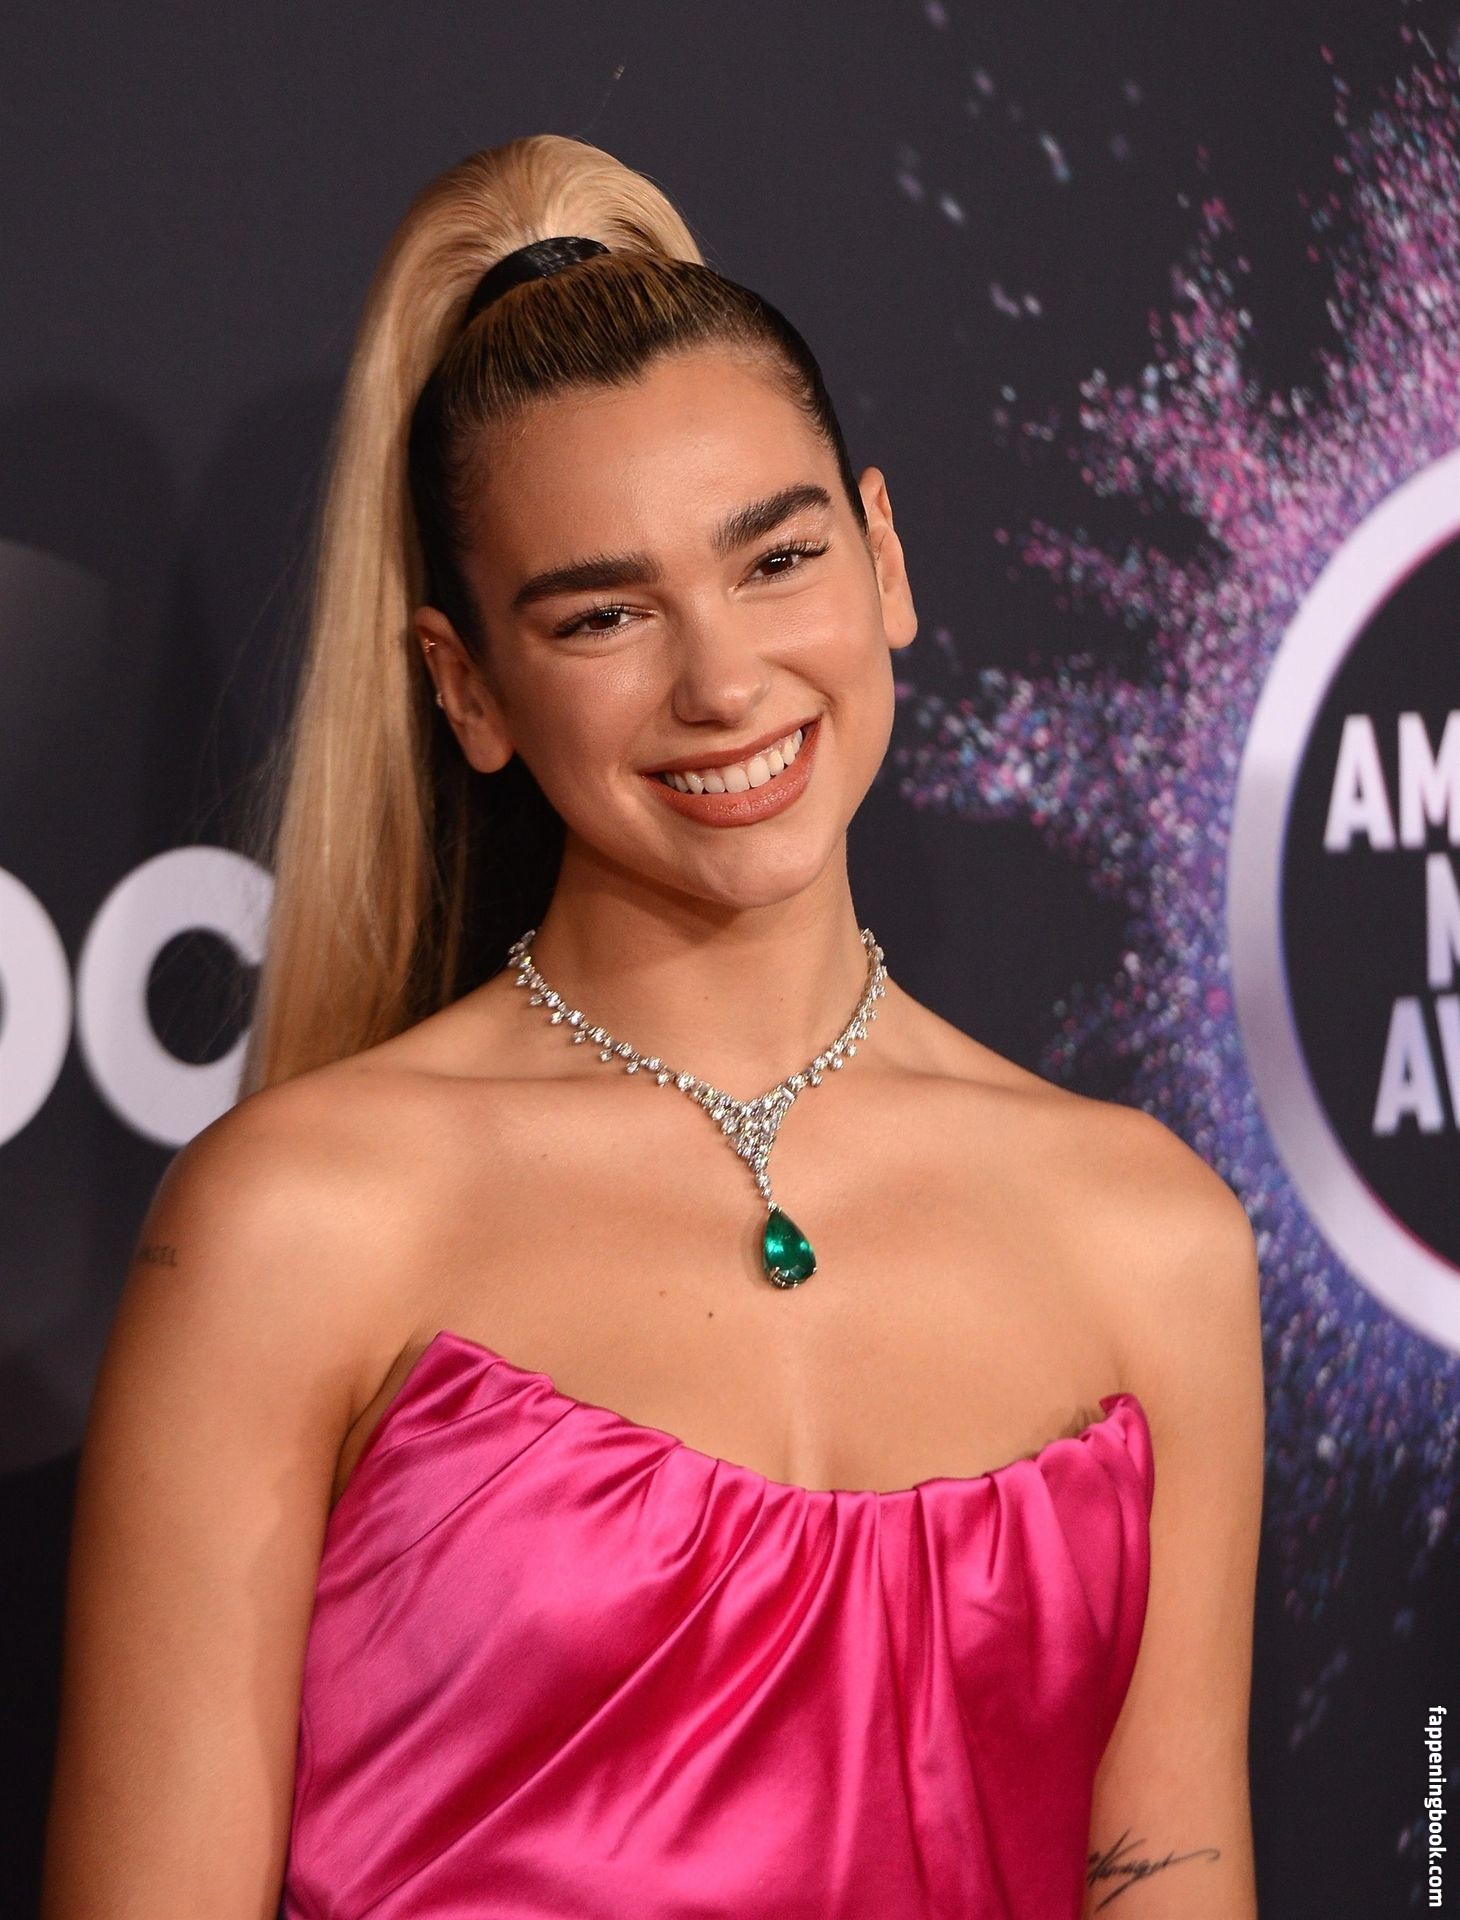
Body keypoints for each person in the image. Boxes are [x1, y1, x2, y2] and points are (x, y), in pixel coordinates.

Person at [42, 134, 1264, 1919]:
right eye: (606, 613)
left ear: (884, 556)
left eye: (777, 559)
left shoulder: (1152, 1238)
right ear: (467, 686)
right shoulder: (293, 1227)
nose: (723, 679)